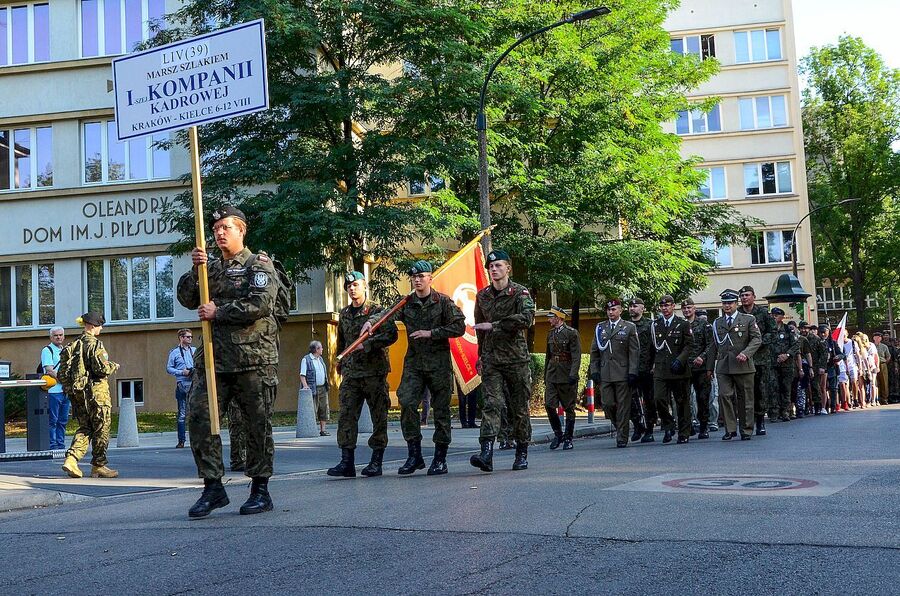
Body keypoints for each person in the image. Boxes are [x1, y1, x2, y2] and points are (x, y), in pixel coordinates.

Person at [177, 205, 281, 518]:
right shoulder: (210, 268)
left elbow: (260, 304)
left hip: (253, 360)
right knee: (200, 418)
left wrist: (219, 312)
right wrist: (195, 269)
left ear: (241, 231)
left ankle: (260, 489)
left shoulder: (257, 264)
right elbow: (187, 299)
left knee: (256, 425)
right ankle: (213, 487)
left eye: (226, 227)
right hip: (214, 360)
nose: (219, 233)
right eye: (216, 228)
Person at [362, 260, 465, 476]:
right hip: (415, 364)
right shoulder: (406, 302)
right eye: (414, 277)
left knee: (441, 410)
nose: (417, 280)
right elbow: (387, 314)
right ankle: (414, 454)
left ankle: (440, 458)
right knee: (407, 402)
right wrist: (372, 321)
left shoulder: (442, 302)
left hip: (438, 364)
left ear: (430, 278)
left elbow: (459, 327)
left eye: (421, 276)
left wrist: (432, 333)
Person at [328, 271, 398, 478]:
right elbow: (342, 341)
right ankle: (346, 461)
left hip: (374, 372)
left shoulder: (377, 311)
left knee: (378, 416)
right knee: (346, 416)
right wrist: (340, 362)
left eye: (355, 285)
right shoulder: (344, 313)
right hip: (351, 373)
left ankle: (376, 461)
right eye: (349, 286)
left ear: (365, 286)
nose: (352, 289)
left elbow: (391, 335)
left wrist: (368, 345)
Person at [470, 250, 536, 472]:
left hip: (516, 359)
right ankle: (486, 452)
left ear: (508, 268)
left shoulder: (520, 293)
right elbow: (480, 327)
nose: (494, 269)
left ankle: (522, 452)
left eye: (498, 265)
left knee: (519, 407)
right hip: (491, 359)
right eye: (491, 266)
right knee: (492, 404)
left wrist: (496, 325)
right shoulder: (482, 296)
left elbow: (526, 318)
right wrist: (480, 354)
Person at [61, 312, 120, 479]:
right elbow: (101, 369)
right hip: (97, 394)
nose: (101, 328)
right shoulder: (95, 344)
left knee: (85, 427)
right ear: (93, 326)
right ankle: (98, 465)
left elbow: (62, 373)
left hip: (79, 394)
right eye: (100, 325)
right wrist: (113, 365)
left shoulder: (74, 344)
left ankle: (71, 459)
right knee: (102, 428)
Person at [710, 289, 761, 440]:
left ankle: (746, 429)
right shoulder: (717, 322)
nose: (727, 306)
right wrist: (709, 368)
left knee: (745, 399)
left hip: (743, 365)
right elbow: (713, 346)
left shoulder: (748, 319)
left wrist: (746, 353)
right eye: (725, 303)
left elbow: (757, 339)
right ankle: (730, 429)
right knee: (724, 395)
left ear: (736, 303)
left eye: (730, 303)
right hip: (724, 365)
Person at [589, 299, 639, 448]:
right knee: (607, 404)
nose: (611, 312)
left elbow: (634, 352)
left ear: (620, 310)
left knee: (623, 407)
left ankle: (622, 437)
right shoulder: (600, 328)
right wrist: (594, 371)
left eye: (614, 309)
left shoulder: (629, 327)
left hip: (623, 373)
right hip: (605, 373)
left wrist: (633, 372)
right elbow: (594, 352)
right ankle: (620, 428)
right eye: (609, 310)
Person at [649, 295, 693, 444]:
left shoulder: (682, 324)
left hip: (679, 369)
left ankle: (684, 433)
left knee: (682, 402)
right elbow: (651, 348)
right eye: (662, 306)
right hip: (661, 369)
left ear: (673, 306)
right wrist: (650, 366)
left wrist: (680, 360)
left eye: (667, 305)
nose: (664, 308)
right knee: (659, 398)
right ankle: (669, 424)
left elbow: (689, 345)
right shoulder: (655, 325)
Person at [738, 286, 777, 435]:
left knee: (760, 390)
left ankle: (760, 421)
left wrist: (758, 343)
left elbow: (772, 332)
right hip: (742, 358)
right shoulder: (738, 313)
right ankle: (746, 422)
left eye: (747, 295)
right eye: (742, 295)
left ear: (754, 296)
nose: (744, 298)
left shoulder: (763, 312)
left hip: (760, 358)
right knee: (744, 392)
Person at [543, 306, 582, 450]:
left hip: (566, 374)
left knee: (569, 407)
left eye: (551, 317)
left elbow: (576, 355)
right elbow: (548, 356)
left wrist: (573, 374)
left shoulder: (571, 333)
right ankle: (558, 434)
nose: (549, 320)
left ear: (558, 318)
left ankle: (568, 438)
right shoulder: (550, 334)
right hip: (552, 374)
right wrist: (546, 375)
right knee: (549, 405)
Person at [682, 299, 714, 439]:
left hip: (700, 367)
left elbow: (711, 345)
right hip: (684, 368)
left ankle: (703, 425)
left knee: (702, 397)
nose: (687, 310)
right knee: (684, 399)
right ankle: (687, 426)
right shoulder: (680, 325)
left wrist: (702, 357)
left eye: (689, 307)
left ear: (694, 308)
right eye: (684, 308)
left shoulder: (704, 324)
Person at [628, 298, 656, 442]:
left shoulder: (650, 325)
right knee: (631, 400)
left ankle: (649, 429)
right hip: (631, 369)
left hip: (647, 368)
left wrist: (654, 364)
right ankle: (638, 425)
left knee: (649, 400)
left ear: (642, 308)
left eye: (635, 306)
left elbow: (656, 346)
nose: (632, 308)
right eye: (630, 306)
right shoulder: (626, 325)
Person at [166, 328, 196, 448]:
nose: (190, 339)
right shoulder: (174, 352)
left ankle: (196, 440)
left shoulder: (194, 350)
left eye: (191, 337)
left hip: (195, 383)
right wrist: (181, 372)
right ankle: (181, 441)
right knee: (182, 414)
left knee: (196, 413)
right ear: (181, 338)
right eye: (188, 337)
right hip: (182, 384)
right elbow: (169, 368)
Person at [770, 308, 799, 422]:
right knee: (773, 388)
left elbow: (796, 345)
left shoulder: (788, 329)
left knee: (786, 388)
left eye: (776, 315)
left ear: (782, 317)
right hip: (773, 363)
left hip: (787, 364)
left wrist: (787, 355)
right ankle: (774, 412)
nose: (773, 317)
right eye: (772, 315)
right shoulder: (768, 329)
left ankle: (785, 412)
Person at [42, 326, 68, 450]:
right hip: (53, 391)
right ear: (51, 337)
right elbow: (50, 370)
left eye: (60, 335)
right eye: (56, 335)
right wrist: (64, 381)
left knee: (63, 420)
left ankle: (61, 445)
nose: (58, 337)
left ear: (64, 336)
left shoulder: (65, 350)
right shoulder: (47, 350)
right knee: (52, 420)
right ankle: (52, 445)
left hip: (65, 391)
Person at [300, 340, 331, 436]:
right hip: (313, 388)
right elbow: (302, 375)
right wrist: (305, 386)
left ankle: (323, 430)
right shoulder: (306, 359)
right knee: (312, 409)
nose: (322, 349)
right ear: (316, 349)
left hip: (323, 388)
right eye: (321, 347)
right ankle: (311, 429)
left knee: (323, 408)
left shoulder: (320, 359)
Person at [873, 332, 891, 406]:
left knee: (884, 381)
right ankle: (877, 398)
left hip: (882, 364)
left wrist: (885, 362)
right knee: (875, 382)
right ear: (873, 338)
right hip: (873, 365)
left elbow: (888, 356)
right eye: (876, 337)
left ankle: (884, 398)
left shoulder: (884, 346)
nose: (878, 338)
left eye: (879, 337)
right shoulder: (871, 346)